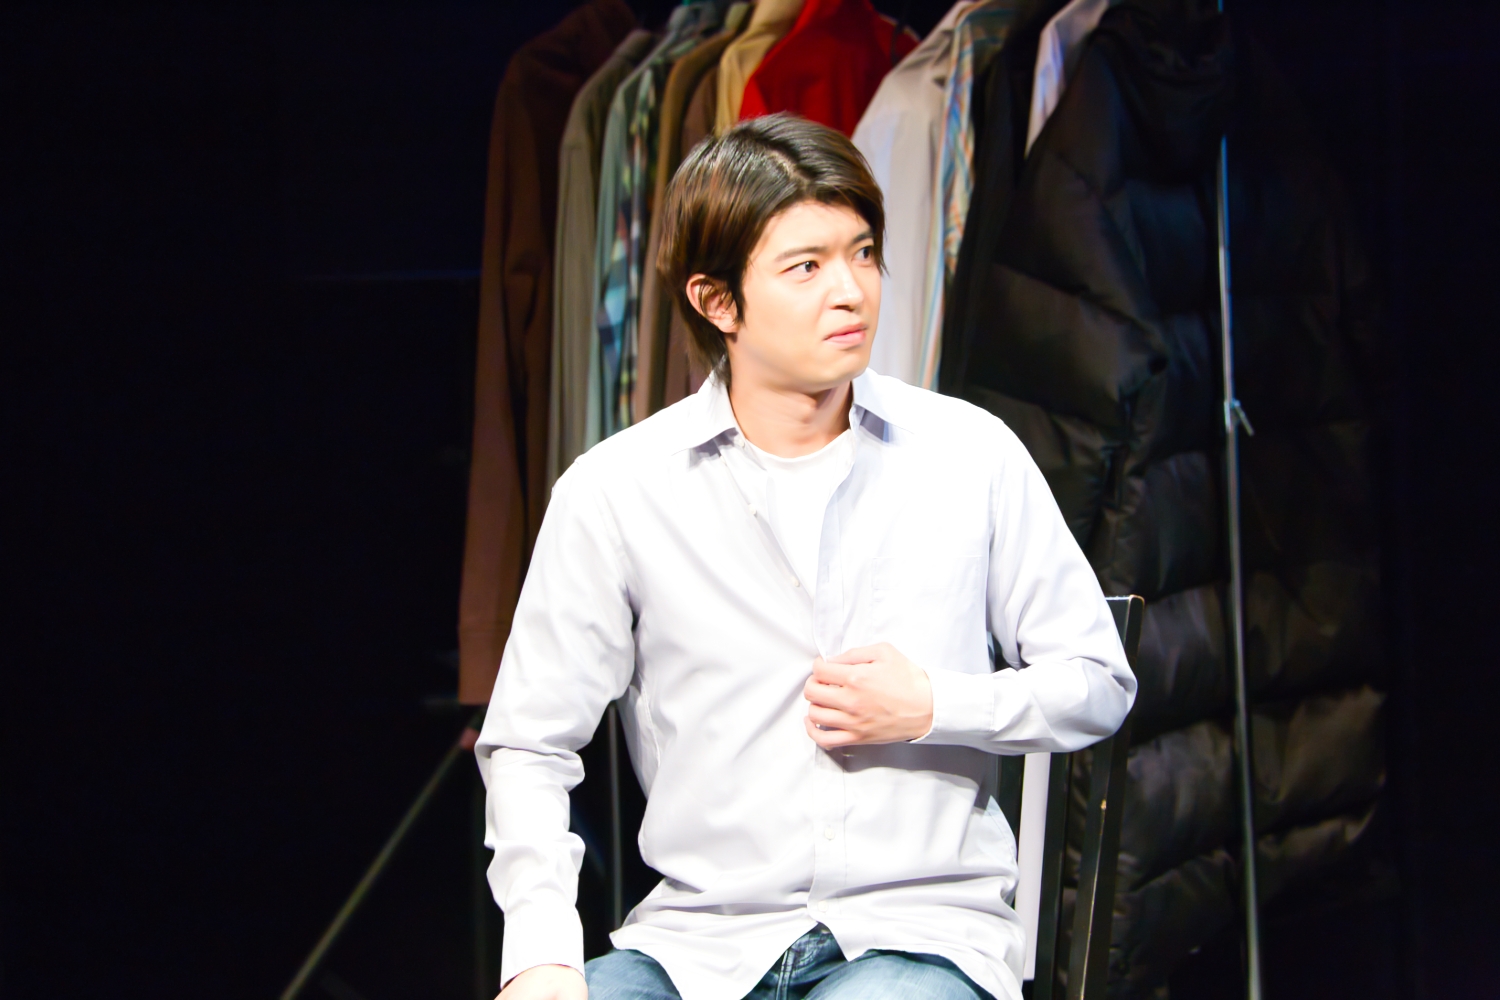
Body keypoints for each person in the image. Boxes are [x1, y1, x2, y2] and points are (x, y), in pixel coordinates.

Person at [477, 113, 1136, 1000]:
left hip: (920, 937)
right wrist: (541, 952)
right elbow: (530, 742)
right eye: (806, 267)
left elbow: (1099, 681)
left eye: (862, 253)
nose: (852, 291)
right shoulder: (616, 492)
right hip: (700, 945)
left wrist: (935, 705)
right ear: (717, 302)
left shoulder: (968, 455)